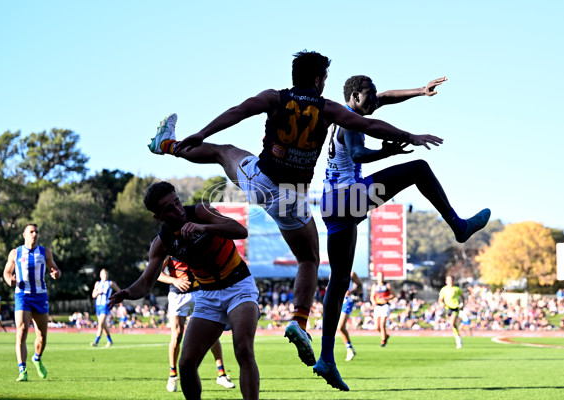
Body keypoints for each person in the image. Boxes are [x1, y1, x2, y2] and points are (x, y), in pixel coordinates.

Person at [148, 50, 443, 368]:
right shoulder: (327, 108)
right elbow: (368, 124)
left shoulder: (275, 98)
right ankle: (299, 322)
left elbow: (238, 111)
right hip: (292, 197)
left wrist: (203, 134)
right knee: (309, 259)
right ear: (318, 80)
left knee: (224, 151)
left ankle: (167, 145)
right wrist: (408, 135)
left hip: (260, 181)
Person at [313, 74, 490, 390]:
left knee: (339, 281)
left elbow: (389, 96)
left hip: (330, 205)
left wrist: (420, 92)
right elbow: (358, 155)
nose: (375, 100)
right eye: (370, 95)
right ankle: (459, 226)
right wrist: (390, 152)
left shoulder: (352, 111)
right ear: (355, 95)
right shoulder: (351, 120)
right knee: (418, 169)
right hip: (347, 197)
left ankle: (326, 357)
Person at [108, 181, 259, 400]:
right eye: (169, 208)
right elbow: (146, 281)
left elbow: (240, 230)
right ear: (158, 217)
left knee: (243, 349)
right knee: (186, 364)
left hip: (238, 285)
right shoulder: (162, 243)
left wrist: (203, 227)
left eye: (177, 202)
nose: (177, 209)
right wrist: (127, 292)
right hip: (207, 295)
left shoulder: (201, 211)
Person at [158, 256, 235, 392]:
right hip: (178, 295)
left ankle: (221, 374)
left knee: (210, 333)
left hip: (200, 291)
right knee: (177, 336)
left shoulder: (196, 239)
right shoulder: (168, 245)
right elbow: (157, 272)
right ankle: (173, 375)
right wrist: (174, 280)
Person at [3, 223, 61, 382]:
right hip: (22, 296)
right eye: (31, 231)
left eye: (36, 231)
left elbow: (55, 269)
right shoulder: (15, 253)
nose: (34, 234)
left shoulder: (45, 252)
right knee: (21, 331)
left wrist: (56, 273)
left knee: (41, 336)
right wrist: (10, 280)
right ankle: (22, 370)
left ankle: (37, 357)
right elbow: (7, 272)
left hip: (40, 296)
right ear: (24, 234)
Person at [90, 268, 121, 347]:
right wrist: (98, 292)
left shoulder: (110, 283)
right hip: (98, 305)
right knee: (103, 325)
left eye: (106, 274)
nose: (105, 275)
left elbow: (119, 291)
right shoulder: (97, 283)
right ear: (100, 275)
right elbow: (93, 295)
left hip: (105, 305)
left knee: (100, 323)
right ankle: (110, 340)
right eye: (103, 274)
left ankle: (96, 341)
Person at [337, 271, 362, 363]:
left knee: (340, 326)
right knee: (340, 328)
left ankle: (349, 350)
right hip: (337, 301)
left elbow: (360, 286)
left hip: (347, 301)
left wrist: (350, 291)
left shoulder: (351, 273)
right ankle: (349, 348)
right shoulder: (332, 272)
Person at [438, 275, 465, 349]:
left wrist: (463, 304)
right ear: (446, 281)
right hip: (448, 308)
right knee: (452, 325)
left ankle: (458, 340)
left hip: (455, 308)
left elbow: (462, 297)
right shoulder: (444, 289)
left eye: (452, 280)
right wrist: (441, 304)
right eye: (449, 280)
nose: (451, 281)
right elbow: (440, 300)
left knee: (452, 322)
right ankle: (458, 338)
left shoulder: (456, 289)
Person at [370, 272, 394, 348]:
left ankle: (383, 340)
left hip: (385, 305)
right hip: (377, 306)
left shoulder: (387, 285)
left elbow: (393, 295)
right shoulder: (375, 286)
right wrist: (373, 302)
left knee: (382, 323)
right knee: (377, 327)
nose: (380, 277)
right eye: (379, 276)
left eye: (382, 276)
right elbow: (372, 296)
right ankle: (386, 335)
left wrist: (386, 298)